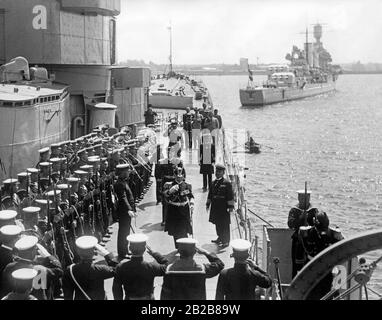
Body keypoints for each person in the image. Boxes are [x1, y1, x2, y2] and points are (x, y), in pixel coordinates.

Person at [0, 235, 63, 300]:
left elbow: (5, 289)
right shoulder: (40, 269)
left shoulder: (10, 267)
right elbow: (59, 271)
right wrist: (48, 255)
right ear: (33, 252)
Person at [299, 211, 344, 300]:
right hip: (314, 269)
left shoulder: (331, 234)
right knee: (313, 294)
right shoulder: (310, 233)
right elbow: (308, 250)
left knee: (324, 293)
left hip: (323, 270)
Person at [112, 234, 169, 300]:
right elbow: (166, 266)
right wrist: (154, 253)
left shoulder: (121, 267)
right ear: (144, 249)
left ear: (130, 248)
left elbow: (116, 289)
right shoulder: (151, 267)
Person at [62, 236, 117, 300]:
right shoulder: (100, 269)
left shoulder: (70, 270)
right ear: (94, 252)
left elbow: (68, 296)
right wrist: (106, 254)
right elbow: (118, 269)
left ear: (78, 252)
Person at [287, 189, 318, 278]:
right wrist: (301, 218)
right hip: (298, 241)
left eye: (307, 197)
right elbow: (290, 224)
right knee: (296, 265)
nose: (304, 200)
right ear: (299, 198)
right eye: (302, 197)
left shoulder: (314, 211)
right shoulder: (294, 210)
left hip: (310, 242)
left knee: (309, 265)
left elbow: (317, 225)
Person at [163, 167, 194, 248]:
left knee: (183, 231)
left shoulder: (187, 185)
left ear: (183, 176)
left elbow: (191, 196)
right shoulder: (168, 185)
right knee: (175, 231)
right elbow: (165, 197)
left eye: (181, 176)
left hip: (184, 209)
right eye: (177, 176)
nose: (179, 178)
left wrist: (192, 204)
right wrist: (170, 191)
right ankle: (178, 246)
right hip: (174, 210)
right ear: (174, 175)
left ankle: (184, 247)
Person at [206, 164, 234, 248]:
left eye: (219, 172)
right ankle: (220, 237)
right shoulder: (213, 183)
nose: (217, 173)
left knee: (224, 224)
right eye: (217, 171)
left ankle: (226, 241)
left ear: (223, 173)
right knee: (217, 223)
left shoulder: (227, 183)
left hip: (223, 207)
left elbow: (230, 196)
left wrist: (230, 207)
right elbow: (210, 194)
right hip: (215, 207)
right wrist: (208, 204)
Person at [113, 164, 137, 259]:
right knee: (123, 232)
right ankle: (122, 253)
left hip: (126, 212)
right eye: (127, 171)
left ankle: (125, 250)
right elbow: (123, 198)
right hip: (124, 212)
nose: (128, 172)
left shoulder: (123, 182)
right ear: (122, 173)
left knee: (126, 232)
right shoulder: (119, 184)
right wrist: (129, 209)